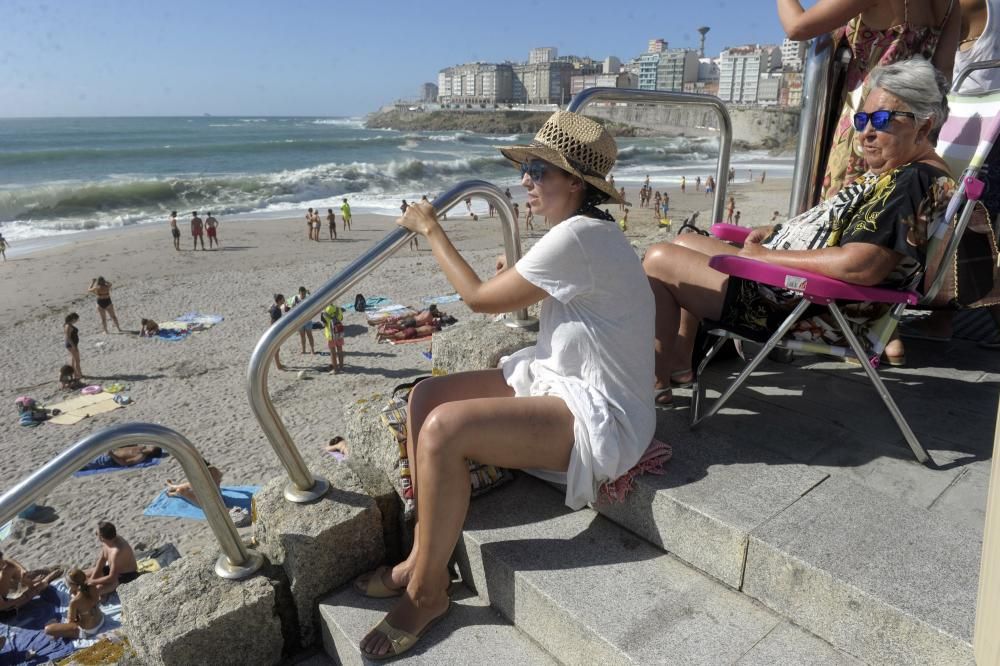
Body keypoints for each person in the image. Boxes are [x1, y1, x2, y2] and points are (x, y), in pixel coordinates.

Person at [354, 111, 654, 660]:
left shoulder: (580, 238)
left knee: (444, 429)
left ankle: (427, 593)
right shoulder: (580, 235)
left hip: (602, 414)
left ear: (575, 183)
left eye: (538, 170)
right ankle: (425, 553)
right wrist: (515, 265)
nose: (525, 181)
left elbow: (477, 299)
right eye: (529, 169)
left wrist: (430, 228)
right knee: (426, 396)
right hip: (561, 379)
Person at [643, 57, 953, 404]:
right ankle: (679, 364)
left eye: (881, 120)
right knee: (685, 241)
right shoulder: (910, 173)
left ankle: (650, 386)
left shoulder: (909, 183)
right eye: (862, 119)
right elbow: (848, 231)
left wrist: (769, 256)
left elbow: (861, 265)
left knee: (659, 259)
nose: (865, 132)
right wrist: (777, 231)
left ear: (924, 128)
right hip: (805, 292)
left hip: (806, 305)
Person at [778, 0, 959, 200]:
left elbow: (796, 26)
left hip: (866, 121)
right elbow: (944, 71)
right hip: (907, 130)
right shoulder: (951, 3)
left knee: (845, 207)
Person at [44, 569, 104, 640]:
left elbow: (70, 622)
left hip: (89, 630)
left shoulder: (74, 601)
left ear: (72, 584)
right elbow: (96, 600)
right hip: (101, 620)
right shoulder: (92, 586)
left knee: (48, 629)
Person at [85, 522, 138, 597]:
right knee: (84, 574)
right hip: (113, 569)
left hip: (125, 576)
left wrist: (92, 582)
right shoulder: (107, 541)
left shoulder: (117, 551)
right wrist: (92, 579)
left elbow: (112, 577)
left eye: (97, 532)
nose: (95, 533)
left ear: (101, 537)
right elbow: (102, 561)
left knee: (94, 591)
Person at [0, 550, 60, 615]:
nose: (3, 563)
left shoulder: (2, 562)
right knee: (37, 588)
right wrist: (25, 596)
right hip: (4, 610)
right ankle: (46, 580)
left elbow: (8, 560)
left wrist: (23, 571)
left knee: (9, 568)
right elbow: (4, 607)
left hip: (3, 599)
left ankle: (30, 582)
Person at [81, 446, 164, 471]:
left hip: (108, 459)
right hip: (108, 450)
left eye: (152, 447)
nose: (150, 445)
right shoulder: (142, 447)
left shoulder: (141, 456)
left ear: (152, 452)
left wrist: (111, 455)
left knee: (83, 464)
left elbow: (124, 463)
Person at [290, 286, 317, 354]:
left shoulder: (308, 298)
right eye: (302, 294)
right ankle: (304, 350)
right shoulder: (296, 298)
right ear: (299, 293)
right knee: (302, 336)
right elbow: (292, 308)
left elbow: (313, 306)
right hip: (299, 320)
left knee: (309, 335)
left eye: (304, 294)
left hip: (307, 319)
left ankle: (312, 349)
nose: (303, 295)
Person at [321, 305, 346, 373]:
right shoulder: (338, 308)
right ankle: (341, 367)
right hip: (339, 333)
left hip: (330, 334)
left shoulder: (324, 311)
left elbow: (324, 324)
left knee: (333, 353)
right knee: (340, 351)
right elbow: (341, 318)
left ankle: (335, 369)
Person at [269, 294, 287, 371]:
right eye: (283, 299)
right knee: (276, 349)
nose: (284, 300)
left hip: (275, 330)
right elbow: (273, 321)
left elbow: (270, 311)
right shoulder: (276, 310)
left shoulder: (275, 308)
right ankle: (278, 365)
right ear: (279, 300)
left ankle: (278, 364)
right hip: (275, 331)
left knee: (277, 348)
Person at [64, 312, 82, 380]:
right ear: (73, 319)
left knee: (73, 360)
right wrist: (74, 346)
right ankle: (79, 374)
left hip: (72, 344)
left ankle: (75, 374)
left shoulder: (68, 324)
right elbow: (68, 337)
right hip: (71, 345)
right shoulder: (68, 326)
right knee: (77, 360)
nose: (77, 321)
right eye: (76, 319)